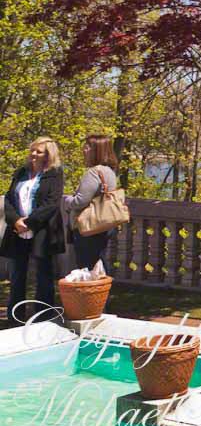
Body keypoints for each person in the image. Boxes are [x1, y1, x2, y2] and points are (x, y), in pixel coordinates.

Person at [1, 137, 65, 325]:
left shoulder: (54, 174)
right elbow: (8, 199)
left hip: (42, 231)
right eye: (33, 150)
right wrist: (16, 221)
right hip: (17, 231)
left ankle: (43, 319)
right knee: (17, 275)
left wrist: (29, 222)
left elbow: (52, 203)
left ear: (48, 155)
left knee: (43, 275)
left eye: (39, 151)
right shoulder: (21, 172)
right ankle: (15, 319)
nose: (34, 154)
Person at [62, 134, 119, 273]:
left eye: (88, 147)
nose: (84, 150)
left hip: (89, 227)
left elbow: (80, 201)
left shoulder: (94, 172)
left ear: (97, 150)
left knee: (87, 267)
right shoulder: (109, 171)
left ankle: (91, 287)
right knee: (98, 265)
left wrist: (66, 200)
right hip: (103, 225)